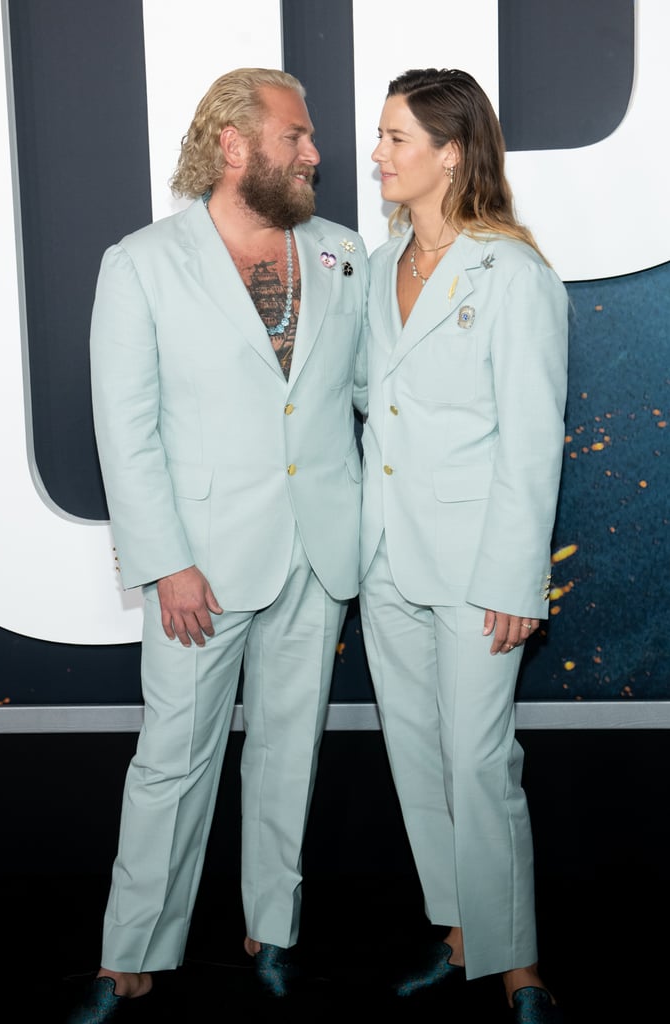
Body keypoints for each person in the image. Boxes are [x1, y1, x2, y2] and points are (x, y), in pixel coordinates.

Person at [66, 67, 368, 1021]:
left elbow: (369, 401)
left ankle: (269, 934)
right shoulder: (143, 262)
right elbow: (127, 426)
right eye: (295, 135)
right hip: (199, 563)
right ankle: (131, 957)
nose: (314, 152)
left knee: (291, 754)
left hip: (316, 553)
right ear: (234, 145)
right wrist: (164, 561)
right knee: (173, 759)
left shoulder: (344, 255)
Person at [359, 68, 568, 1023]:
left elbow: (532, 439)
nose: (377, 155)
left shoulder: (512, 273)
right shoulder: (373, 264)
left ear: (450, 151)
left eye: (396, 138)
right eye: (379, 137)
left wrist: (517, 578)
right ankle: (459, 931)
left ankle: (516, 963)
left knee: (479, 761)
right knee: (417, 756)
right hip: (386, 556)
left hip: (479, 561)